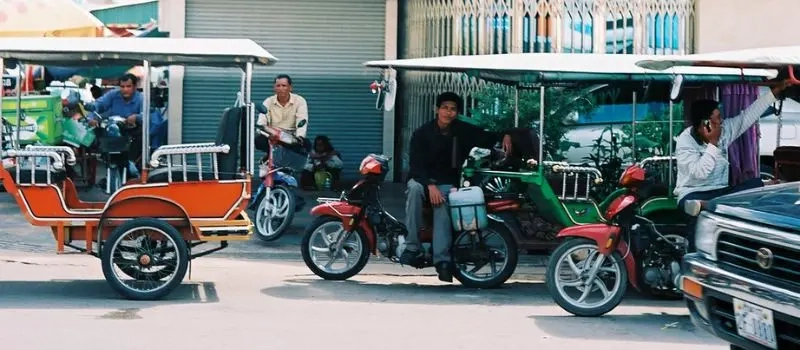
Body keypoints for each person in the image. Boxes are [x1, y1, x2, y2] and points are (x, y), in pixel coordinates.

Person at [400, 91, 513, 282]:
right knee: (414, 191)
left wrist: (506, 135)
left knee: (444, 203)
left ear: (457, 112)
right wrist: (430, 185)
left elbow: (487, 136)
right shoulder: (422, 133)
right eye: (445, 108)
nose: (448, 112)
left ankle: (442, 261)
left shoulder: (463, 130)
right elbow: (416, 166)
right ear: (436, 109)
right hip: (421, 180)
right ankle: (412, 247)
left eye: (453, 109)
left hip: (447, 182)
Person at [676, 79, 792, 247]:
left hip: (721, 192)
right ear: (705, 123)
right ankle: (708, 209)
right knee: (694, 210)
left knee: (755, 184)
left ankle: (712, 205)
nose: (721, 122)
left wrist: (774, 93)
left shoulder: (724, 129)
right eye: (717, 119)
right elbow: (700, 173)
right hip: (693, 193)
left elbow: (748, 116)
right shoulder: (685, 141)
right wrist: (713, 144)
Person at [255, 74, 310, 156]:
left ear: (290, 88)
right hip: (273, 135)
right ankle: (270, 157)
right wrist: (268, 135)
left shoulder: (300, 101)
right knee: (259, 140)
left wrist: (299, 137)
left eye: (284, 86)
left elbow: (302, 121)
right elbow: (261, 123)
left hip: (291, 137)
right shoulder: (268, 101)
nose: (281, 88)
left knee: (306, 144)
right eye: (278, 86)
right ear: (274, 88)